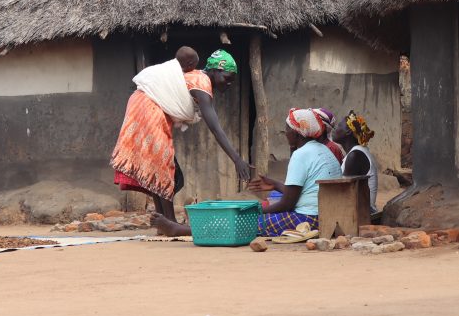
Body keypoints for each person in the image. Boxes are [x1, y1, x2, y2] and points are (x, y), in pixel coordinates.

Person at [111, 47, 249, 233]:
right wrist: (237, 159)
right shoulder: (202, 82)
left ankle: (163, 222)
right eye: (227, 77)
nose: (230, 82)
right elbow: (215, 128)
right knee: (165, 168)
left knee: (166, 171)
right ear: (214, 71)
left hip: (143, 105)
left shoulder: (199, 79)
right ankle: (171, 223)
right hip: (147, 108)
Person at [247, 108, 342, 236]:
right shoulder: (324, 150)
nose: (285, 133)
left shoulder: (301, 154)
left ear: (296, 133)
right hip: (329, 216)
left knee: (247, 223)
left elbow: (287, 204)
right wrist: (275, 184)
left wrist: (258, 211)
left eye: (287, 129)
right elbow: (301, 191)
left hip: (308, 220)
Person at [330, 110, 380, 213]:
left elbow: (344, 194)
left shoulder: (355, 156)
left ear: (348, 132)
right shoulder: (356, 153)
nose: (335, 129)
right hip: (360, 210)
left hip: (362, 214)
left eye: (339, 126)